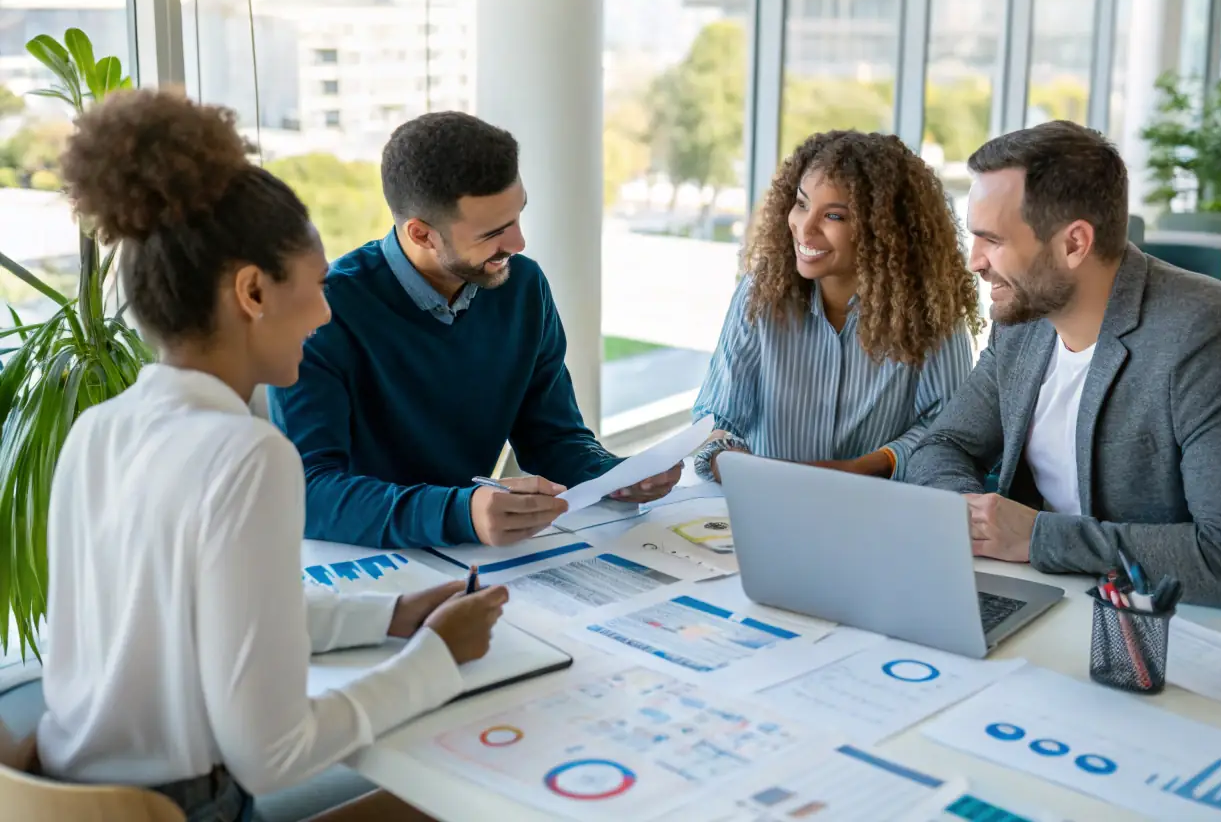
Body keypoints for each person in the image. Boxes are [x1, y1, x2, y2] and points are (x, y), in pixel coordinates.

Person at [38, 90, 508, 821]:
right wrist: (438, 657)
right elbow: (274, 753)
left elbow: (219, 619)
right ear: (253, 292)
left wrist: (391, 615)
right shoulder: (247, 455)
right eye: (317, 287)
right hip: (192, 807)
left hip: (75, 795)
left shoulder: (99, 428)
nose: (325, 313)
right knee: (472, 799)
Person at [905, 121, 1221, 611]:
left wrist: (1038, 538)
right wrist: (972, 518)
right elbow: (945, 444)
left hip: (1151, 625)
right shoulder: (1024, 322)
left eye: (993, 241)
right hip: (1029, 593)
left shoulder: (1209, 334)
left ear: (1074, 244)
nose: (974, 261)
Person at [269, 111, 681, 550]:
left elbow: (553, 437)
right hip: (360, 564)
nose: (519, 243)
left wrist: (614, 476)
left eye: (518, 215)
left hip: (473, 555)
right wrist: (462, 511)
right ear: (422, 234)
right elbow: (309, 493)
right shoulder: (324, 310)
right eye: (494, 232)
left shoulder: (523, 287)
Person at [693, 130, 980, 482]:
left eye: (834, 216)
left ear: (883, 230)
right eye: (801, 203)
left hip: (878, 510)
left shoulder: (931, 311)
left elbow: (946, 431)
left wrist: (863, 469)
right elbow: (718, 417)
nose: (804, 228)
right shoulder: (761, 294)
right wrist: (732, 461)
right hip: (765, 505)